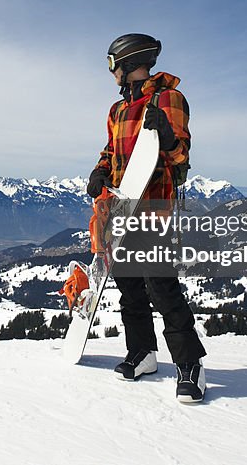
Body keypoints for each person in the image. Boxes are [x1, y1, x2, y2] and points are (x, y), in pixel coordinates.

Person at [86, 32, 208, 403]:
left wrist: (169, 136)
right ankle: (143, 353)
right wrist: (99, 171)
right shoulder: (117, 110)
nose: (112, 75)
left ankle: (190, 365)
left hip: (155, 206)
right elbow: (111, 151)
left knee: (161, 286)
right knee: (128, 286)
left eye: (112, 66)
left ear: (127, 62)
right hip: (122, 207)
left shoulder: (169, 99)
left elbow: (180, 156)